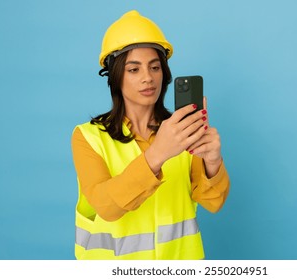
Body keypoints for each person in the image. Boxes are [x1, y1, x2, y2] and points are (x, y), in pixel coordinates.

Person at [71, 10, 230, 260]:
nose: (148, 78)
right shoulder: (88, 137)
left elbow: (213, 202)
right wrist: (157, 154)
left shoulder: (183, 130)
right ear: (116, 77)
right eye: (134, 69)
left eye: (155, 67)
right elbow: (106, 207)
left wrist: (212, 162)